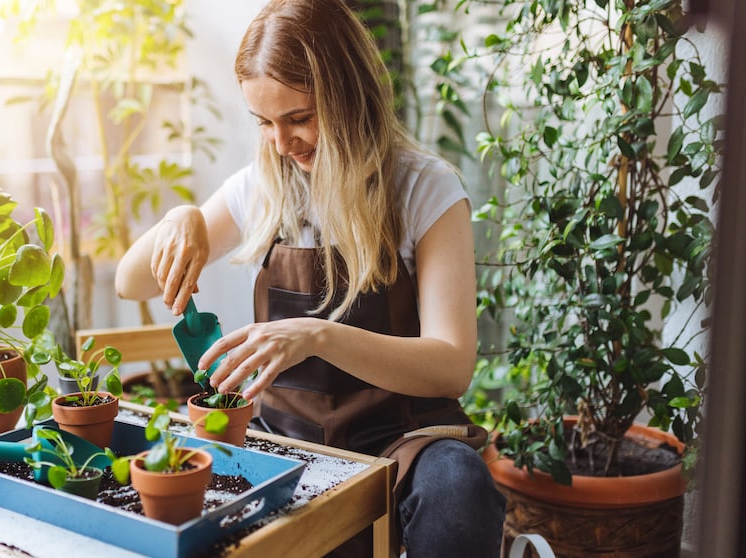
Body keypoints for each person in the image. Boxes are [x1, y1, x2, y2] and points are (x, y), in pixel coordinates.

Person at [115, 0, 506, 555]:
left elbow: (452, 366)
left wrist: (317, 336)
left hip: (402, 441)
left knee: (458, 487)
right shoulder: (262, 186)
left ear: (351, 96)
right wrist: (184, 219)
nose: (282, 142)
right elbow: (130, 282)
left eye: (299, 118)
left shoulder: (426, 190)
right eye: (265, 123)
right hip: (285, 442)